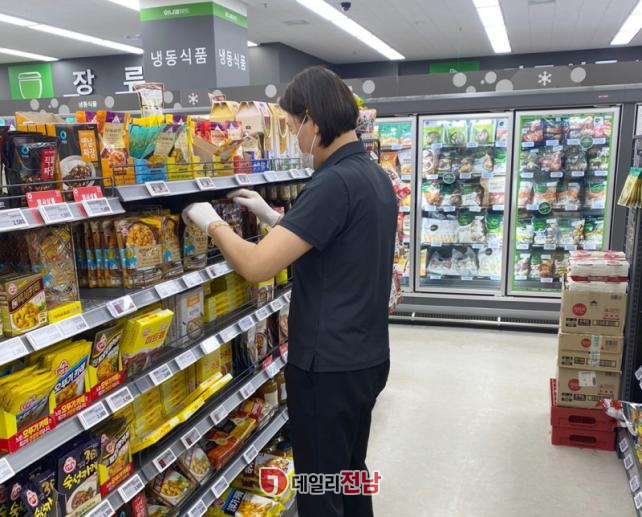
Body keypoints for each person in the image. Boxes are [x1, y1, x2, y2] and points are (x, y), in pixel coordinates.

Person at [182, 66, 397, 517]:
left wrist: (212, 223)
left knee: (319, 489)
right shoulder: (373, 175)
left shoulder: (332, 182)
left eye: (293, 122)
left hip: (327, 365)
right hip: (367, 357)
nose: (293, 134)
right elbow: (336, 241)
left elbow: (257, 266)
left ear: (313, 121)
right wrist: (274, 218)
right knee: (350, 471)